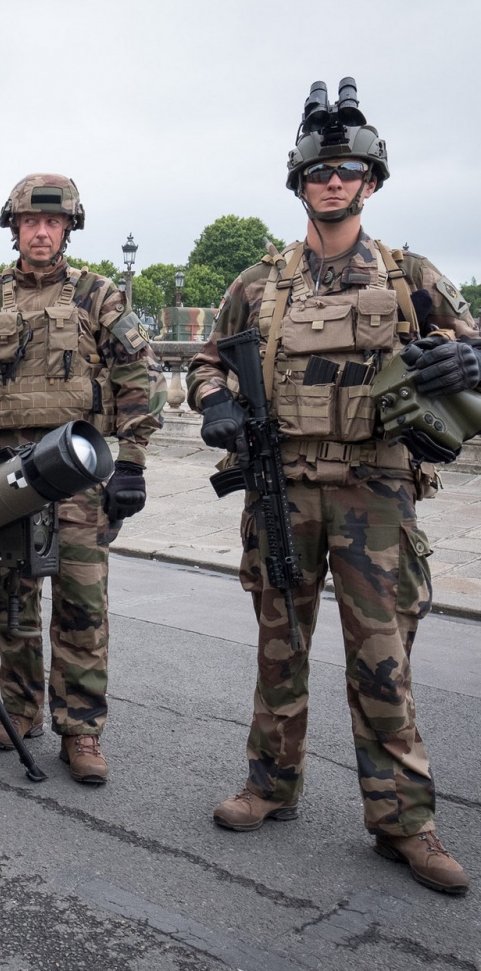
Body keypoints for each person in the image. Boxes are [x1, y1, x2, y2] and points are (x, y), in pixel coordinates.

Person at [187, 80, 477, 895]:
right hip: (281, 486)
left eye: (349, 169)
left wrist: (471, 360)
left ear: (372, 181)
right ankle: (270, 785)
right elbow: (210, 358)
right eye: (321, 171)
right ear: (301, 184)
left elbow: (473, 351)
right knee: (279, 652)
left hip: (375, 493)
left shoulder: (411, 273)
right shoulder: (258, 281)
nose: (334, 181)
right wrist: (214, 406)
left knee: (381, 660)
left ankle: (404, 823)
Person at [0, 174, 162, 784]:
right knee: (13, 602)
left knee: (82, 607)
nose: (41, 231)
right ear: (15, 228)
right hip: (6, 474)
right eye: (30, 222)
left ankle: (81, 732)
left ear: (68, 229)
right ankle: (21, 708)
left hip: (79, 473)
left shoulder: (97, 295)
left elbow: (141, 375)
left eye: (52, 223)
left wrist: (130, 462)